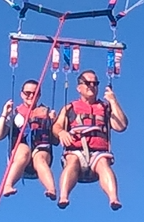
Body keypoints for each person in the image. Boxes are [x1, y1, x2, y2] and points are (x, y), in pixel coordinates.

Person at [53, 70, 128, 210]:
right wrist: (62, 132)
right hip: (75, 150)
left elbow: (121, 125)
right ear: (79, 87)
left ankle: (113, 198)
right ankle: (63, 196)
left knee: (103, 164)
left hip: (98, 152)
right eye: (87, 83)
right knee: (72, 162)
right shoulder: (70, 107)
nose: (92, 86)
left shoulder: (105, 108)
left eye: (95, 83)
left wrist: (113, 101)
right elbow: (56, 126)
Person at [0, 79, 57, 199]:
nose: (31, 96)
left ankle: (51, 189)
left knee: (40, 158)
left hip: (40, 148)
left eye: (35, 93)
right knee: (24, 152)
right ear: (21, 94)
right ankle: (8, 185)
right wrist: (4, 114)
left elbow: (55, 140)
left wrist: (53, 122)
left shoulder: (46, 113)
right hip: (21, 149)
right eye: (28, 93)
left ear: (39, 95)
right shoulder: (15, 113)